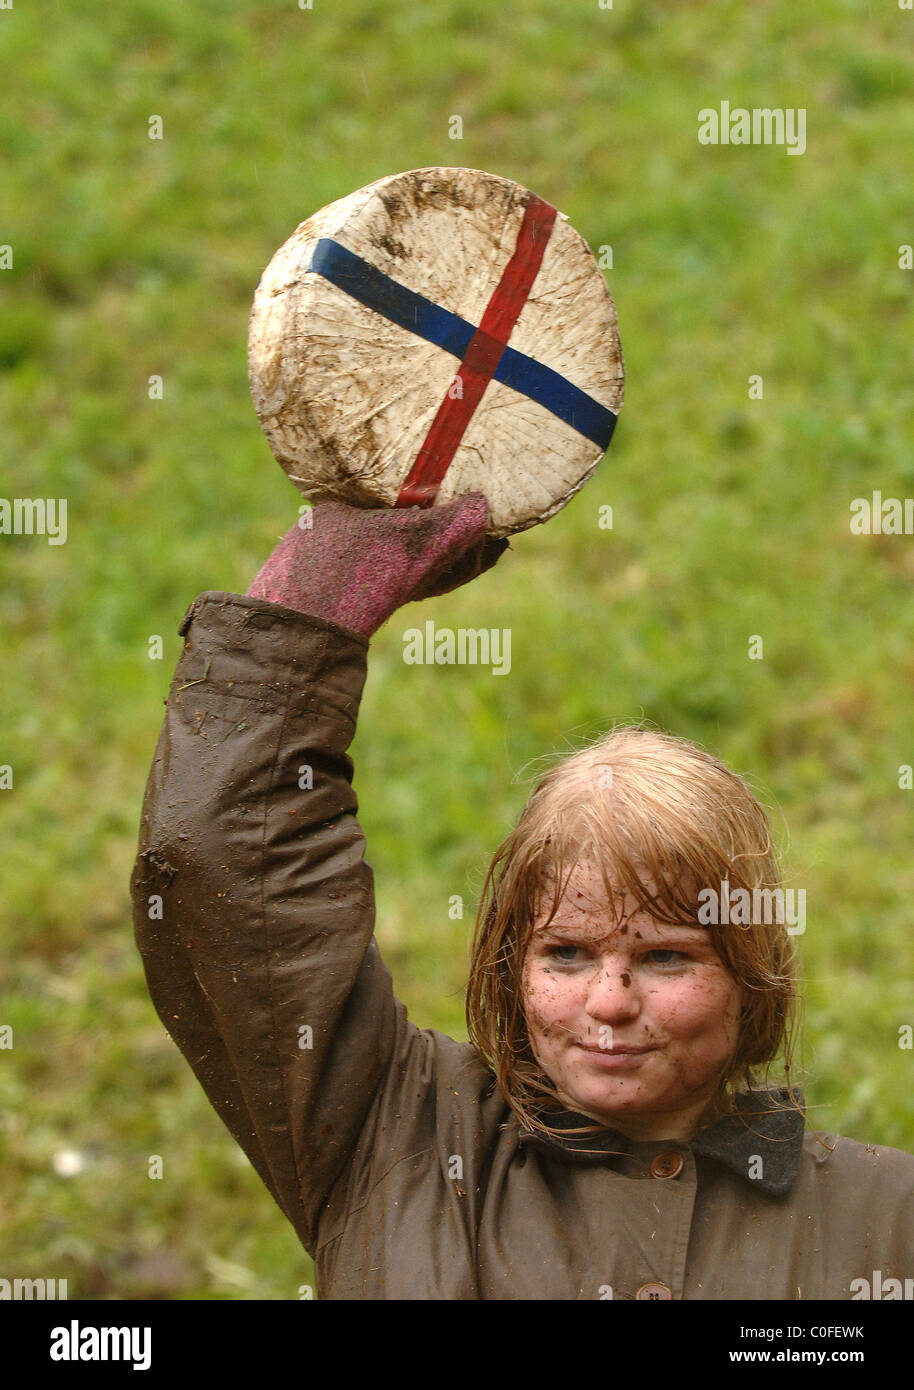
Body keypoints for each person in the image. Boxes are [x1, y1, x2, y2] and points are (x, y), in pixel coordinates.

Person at [131, 494, 914, 1300]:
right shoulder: (393, 1133)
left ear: (752, 973)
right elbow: (224, 869)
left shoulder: (886, 1219)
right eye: (566, 953)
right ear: (512, 965)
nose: (608, 1004)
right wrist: (320, 592)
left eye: (665, 958)